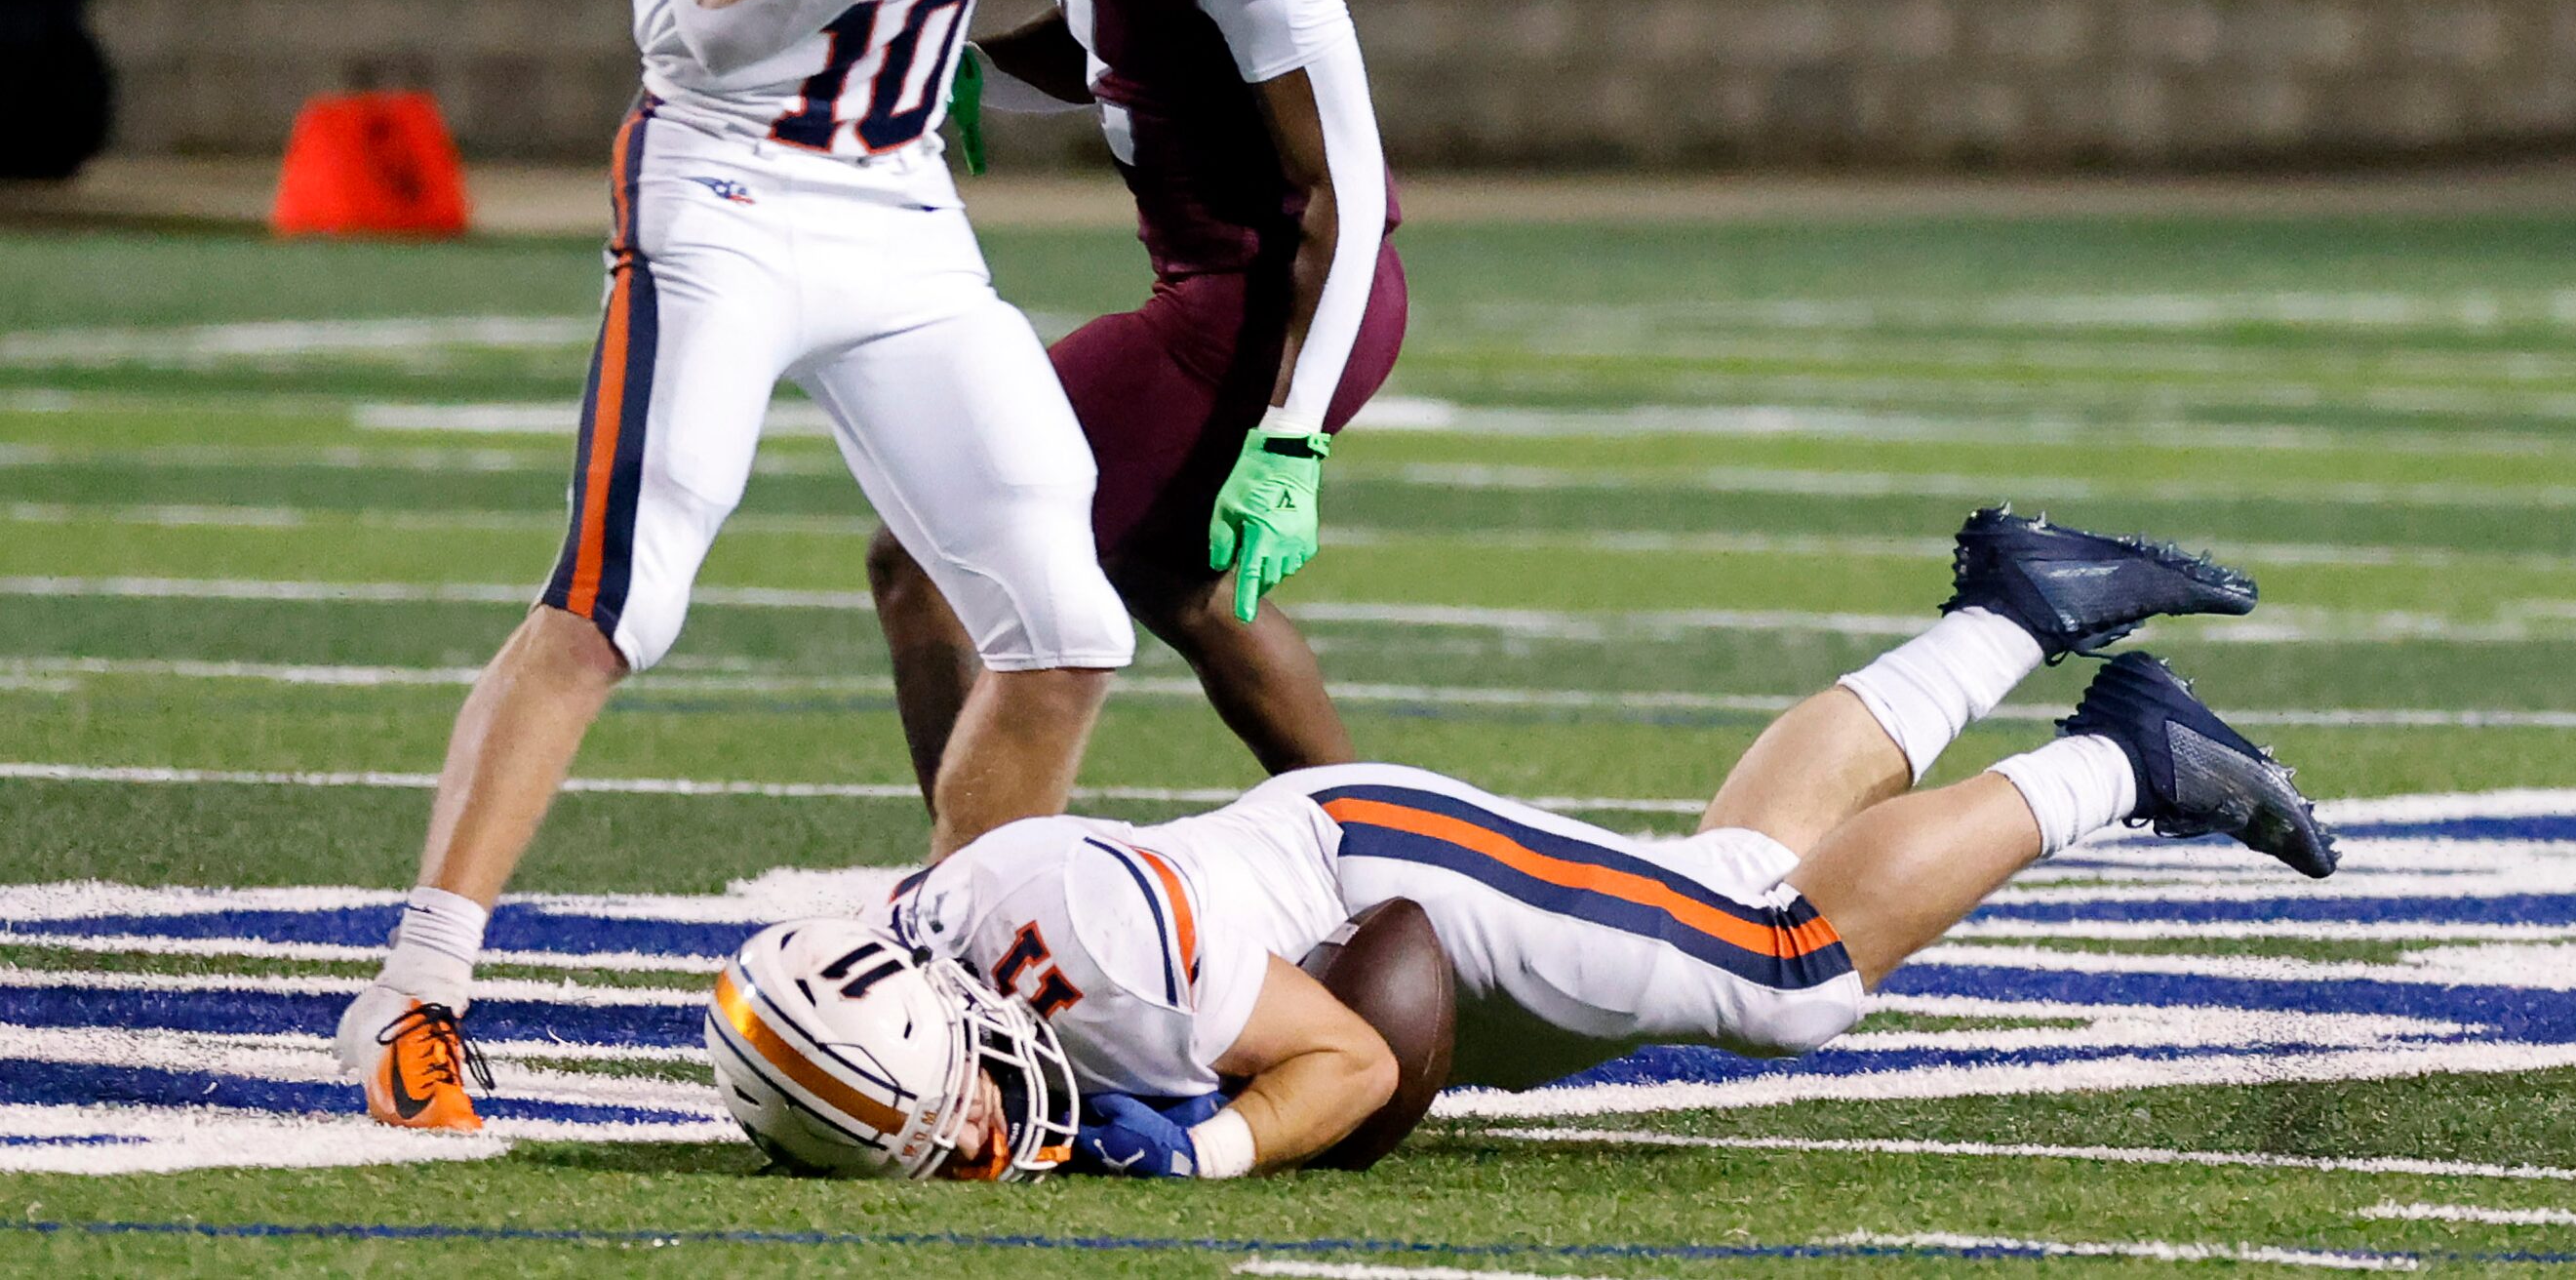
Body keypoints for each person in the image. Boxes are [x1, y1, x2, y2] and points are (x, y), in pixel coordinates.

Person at [335, 0, 1292, 1133]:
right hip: (727, 188)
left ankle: (953, 979)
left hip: (899, 197)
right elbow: (708, 19)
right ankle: (413, 987)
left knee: (1065, 628)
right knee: (617, 594)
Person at [720, 508, 2334, 1180]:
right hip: (1330, 871)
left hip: (1389, 875)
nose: (964, 1127)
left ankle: (2120, 761)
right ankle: (2010, 606)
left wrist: (1195, 1150)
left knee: (1785, 971)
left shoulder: (1106, 961)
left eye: (942, 1095)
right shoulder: (932, 935)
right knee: (1729, 884)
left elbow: (1343, 1061)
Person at [866, 0, 1403, 795]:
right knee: (1189, 589)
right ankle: (1390, 875)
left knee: (928, 562)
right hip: (1208, 283)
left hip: (1265, 303)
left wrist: (1291, 437)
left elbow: (1346, 184)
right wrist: (976, 68)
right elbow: (1127, 29)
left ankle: (964, 907)